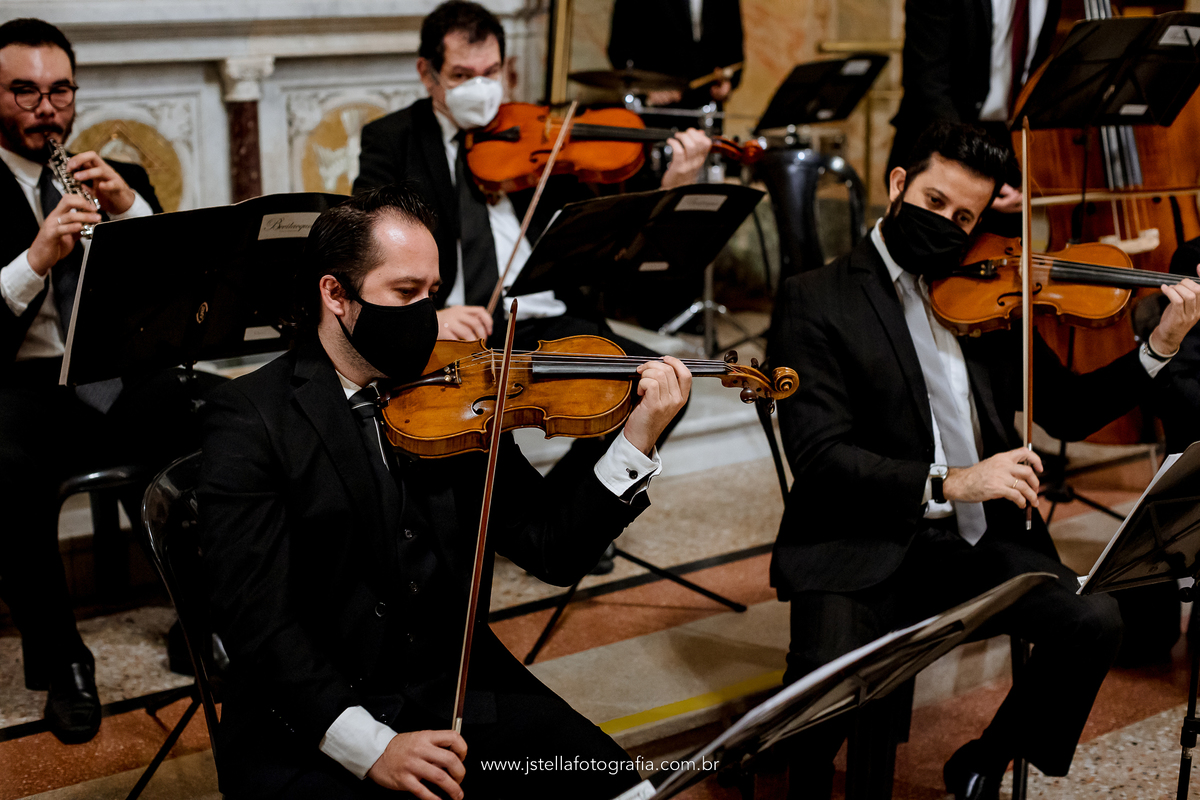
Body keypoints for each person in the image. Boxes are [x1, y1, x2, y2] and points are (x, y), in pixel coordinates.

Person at [197, 184, 691, 799]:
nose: (425, 315)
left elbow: (551, 550)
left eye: (432, 293)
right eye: (404, 294)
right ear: (336, 295)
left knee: (630, 793)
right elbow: (258, 625)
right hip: (314, 716)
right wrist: (371, 746)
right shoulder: (249, 418)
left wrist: (636, 440)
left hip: (456, 691)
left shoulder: (463, 393)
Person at [767, 121, 1200, 800]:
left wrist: (1161, 345)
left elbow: (1071, 410)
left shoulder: (988, 289)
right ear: (898, 184)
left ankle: (983, 761)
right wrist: (954, 480)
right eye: (936, 203)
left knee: (1093, 621)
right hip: (858, 546)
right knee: (821, 705)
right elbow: (820, 458)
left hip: (969, 545)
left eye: (965, 216)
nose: (948, 226)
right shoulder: (815, 298)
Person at [355, 1, 707, 568]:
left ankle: (570, 513)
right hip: (459, 329)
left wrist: (669, 186)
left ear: (506, 68)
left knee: (658, 385)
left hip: (549, 314)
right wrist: (428, 314)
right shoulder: (393, 139)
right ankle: (524, 522)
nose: (480, 88)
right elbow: (368, 245)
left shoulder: (539, 131)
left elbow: (610, 224)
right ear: (427, 74)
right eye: (462, 77)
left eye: (490, 73)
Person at [0, 17, 192, 745]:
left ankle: (204, 618)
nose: (45, 109)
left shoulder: (122, 175)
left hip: (116, 376)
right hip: (21, 384)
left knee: (225, 418)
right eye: (24, 92)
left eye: (58, 91)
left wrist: (130, 213)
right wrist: (35, 259)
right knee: (2, 469)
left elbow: (182, 295)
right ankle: (64, 665)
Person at [888, 0, 1063, 229]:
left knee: (1005, 254)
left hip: (1005, 144)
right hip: (939, 146)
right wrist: (977, 176)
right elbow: (927, 86)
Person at [607, 0, 744, 116]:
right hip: (657, 112)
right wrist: (645, 89)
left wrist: (728, 84)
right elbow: (619, 49)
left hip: (706, 110)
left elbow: (734, 52)